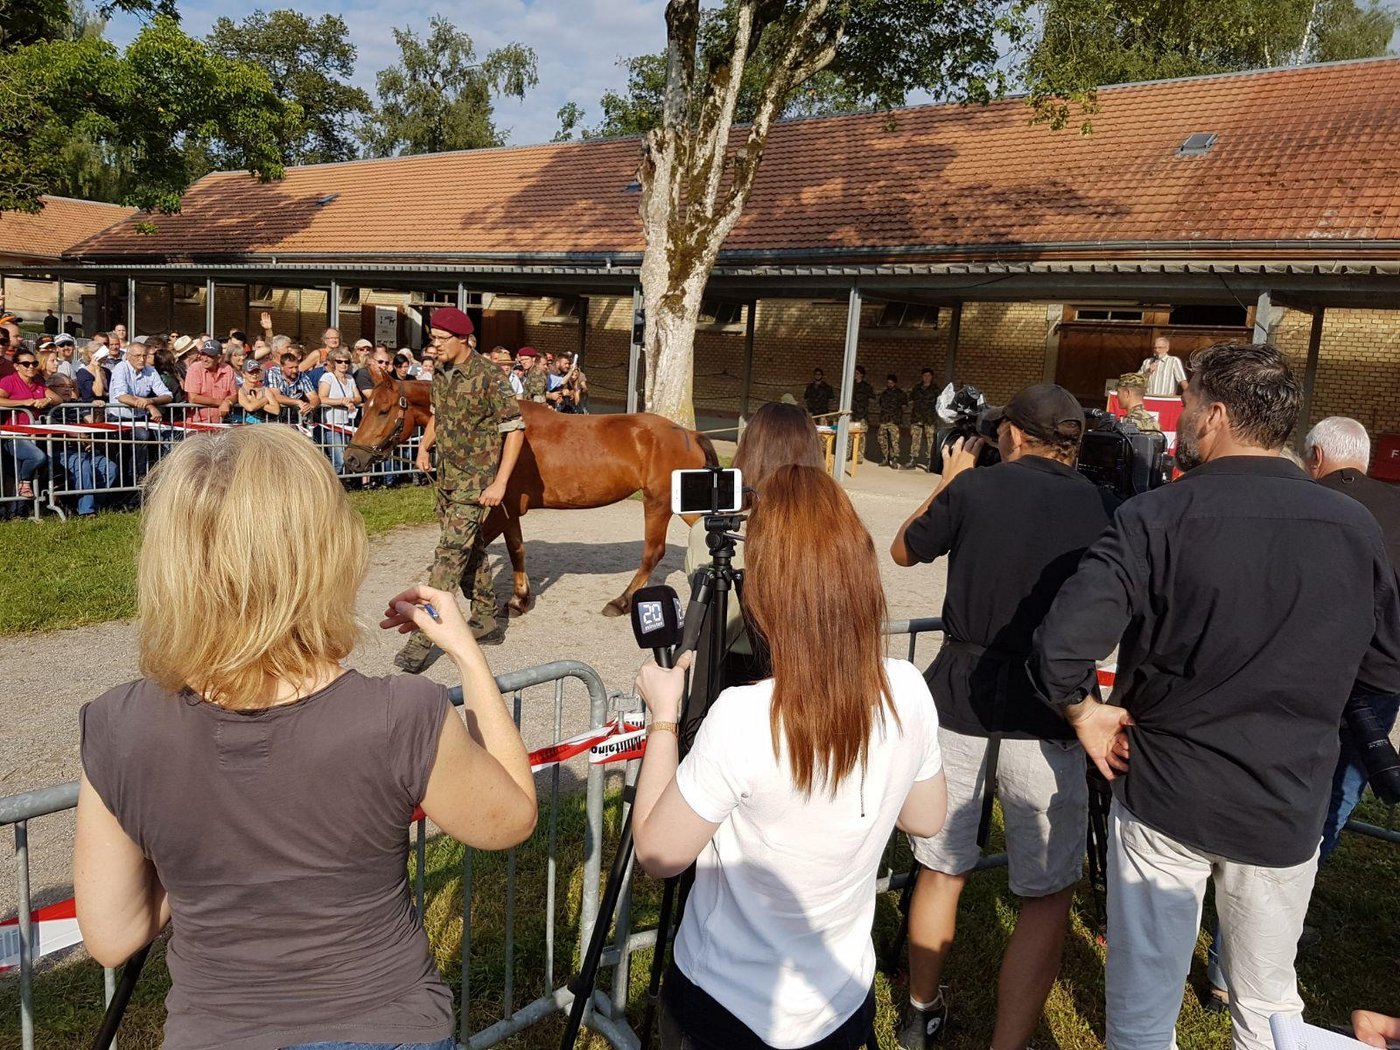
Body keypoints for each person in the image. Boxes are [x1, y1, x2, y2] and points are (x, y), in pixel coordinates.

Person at [73, 423, 537, 1050]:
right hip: (386, 1024)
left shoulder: (116, 723)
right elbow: (509, 819)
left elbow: (111, 934)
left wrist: (203, 864)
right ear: (326, 550)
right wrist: (467, 656)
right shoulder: (401, 714)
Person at [1029, 342, 1400, 1050]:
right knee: (1267, 1013)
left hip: (1170, 789)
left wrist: (1083, 711)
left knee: (1143, 1015)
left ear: (1217, 415)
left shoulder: (1155, 516)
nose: (1183, 417)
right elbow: (1384, 668)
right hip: (1285, 799)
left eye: (1190, 401)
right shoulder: (1353, 527)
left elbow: (1059, 648)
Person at [632, 464, 949, 1050]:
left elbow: (657, 853)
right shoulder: (906, 688)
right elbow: (926, 818)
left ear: (767, 587)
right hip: (839, 1000)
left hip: (726, 1004)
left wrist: (664, 720)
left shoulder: (744, 716)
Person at [890, 382, 1114, 1050]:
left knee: (943, 867)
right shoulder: (1102, 506)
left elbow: (904, 549)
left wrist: (952, 478)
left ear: (1012, 434)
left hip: (959, 693)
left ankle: (920, 1011)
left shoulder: (975, 488)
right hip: (1050, 702)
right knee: (1045, 894)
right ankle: (1008, 1041)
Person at [396, 307, 526, 672]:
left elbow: (514, 429)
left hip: (477, 483)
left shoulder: (489, 376)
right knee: (471, 551)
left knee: (449, 556)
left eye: (440, 340)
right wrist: (424, 446)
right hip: (447, 478)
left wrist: (500, 482)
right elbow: (440, 413)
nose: (434, 346)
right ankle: (485, 619)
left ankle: (422, 641)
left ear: (464, 339)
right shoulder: (441, 371)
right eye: (432, 339)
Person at [684, 402, 825, 684]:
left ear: (747, 453)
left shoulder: (711, 533)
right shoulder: (836, 532)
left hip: (734, 673)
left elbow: (713, 613)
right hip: (814, 674)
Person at [0, 349, 60, 498]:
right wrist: (23, 403)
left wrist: (48, 400)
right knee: (37, 457)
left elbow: (59, 399)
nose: (31, 367)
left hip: (36, 435)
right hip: (13, 435)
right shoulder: (8, 381)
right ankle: (24, 482)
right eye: (26, 364)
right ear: (16, 366)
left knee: (43, 465)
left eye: (34, 363)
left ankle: (29, 508)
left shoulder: (38, 382)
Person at [318, 350, 362, 474]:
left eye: (346, 361)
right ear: (333, 363)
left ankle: (343, 483)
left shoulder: (350, 378)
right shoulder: (327, 377)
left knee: (347, 458)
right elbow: (321, 398)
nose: (343, 364)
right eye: (339, 361)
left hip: (347, 423)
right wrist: (342, 401)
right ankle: (333, 484)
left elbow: (358, 398)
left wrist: (351, 400)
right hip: (331, 424)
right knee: (339, 459)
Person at [183, 339, 236, 424]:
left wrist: (228, 402)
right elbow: (193, 397)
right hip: (197, 424)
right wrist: (221, 402)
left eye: (210, 355)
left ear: (219, 357)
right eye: (203, 354)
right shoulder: (194, 369)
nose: (205, 359)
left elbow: (233, 394)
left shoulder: (228, 369)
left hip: (222, 424)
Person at [266, 351, 321, 423]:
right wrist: (298, 402)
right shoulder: (273, 372)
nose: (295, 370)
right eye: (290, 368)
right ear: (282, 367)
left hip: (295, 417)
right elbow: (276, 396)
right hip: (275, 417)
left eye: (296, 367)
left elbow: (314, 397)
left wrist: (310, 406)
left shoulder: (302, 375)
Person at [907, 368, 939, 470]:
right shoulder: (917, 388)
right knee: (915, 439)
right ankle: (913, 460)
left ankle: (930, 462)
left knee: (931, 441)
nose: (926, 378)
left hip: (929, 419)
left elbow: (940, 403)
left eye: (928, 375)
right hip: (917, 417)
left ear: (932, 377)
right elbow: (911, 399)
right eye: (924, 375)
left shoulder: (935, 389)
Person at [232, 358, 278, 423]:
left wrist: (256, 401)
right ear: (243, 374)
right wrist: (265, 400)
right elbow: (250, 408)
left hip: (259, 428)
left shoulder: (265, 389)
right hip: (242, 427)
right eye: (251, 372)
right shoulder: (240, 389)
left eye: (257, 371)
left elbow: (276, 410)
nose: (254, 374)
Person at [878, 374, 908, 469]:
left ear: (895, 383)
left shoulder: (900, 394)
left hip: (894, 420)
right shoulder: (884, 393)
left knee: (894, 441)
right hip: (884, 419)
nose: (889, 384)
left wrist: (897, 416)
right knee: (882, 439)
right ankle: (885, 458)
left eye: (891, 382)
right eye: (888, 382)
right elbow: (880, 404)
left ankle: (894, 459)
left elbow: (904, 406)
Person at [849, 365, 874, 461]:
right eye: (854, 373)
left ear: (862, 375)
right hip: (852, 414)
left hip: (862, 415)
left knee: (861, 436)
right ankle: (848, 454)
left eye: (857, 373)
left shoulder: (866, 387)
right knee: (850, 435)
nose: (855, 375)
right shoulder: (852, 386)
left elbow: (872, 398)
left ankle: (858, 456)